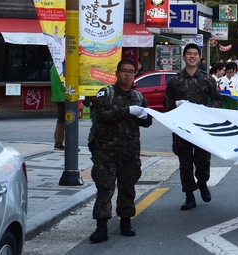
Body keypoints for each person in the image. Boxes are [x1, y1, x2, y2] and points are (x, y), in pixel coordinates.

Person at [88, 59, 153, 243]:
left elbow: (147, 122)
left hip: (129, 152)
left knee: (127, 188)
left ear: (134, 75)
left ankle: (126, 222)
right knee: (105, 188)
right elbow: (104, 114)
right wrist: (128, 110)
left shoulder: (138, 97)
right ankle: (101, 227)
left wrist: (144, 114)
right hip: (105, 151)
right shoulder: (106, 93)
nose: (127, 74)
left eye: (131, 72)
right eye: (124, 71)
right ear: (117, 73)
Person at [163, 44, 222, 211]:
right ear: (183, 57)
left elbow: (217, 100)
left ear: (199, 57)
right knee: (185, 162)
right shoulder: (175, 80)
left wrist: (208, 110)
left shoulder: (207, 79)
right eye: (189, 54)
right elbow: (165, 102)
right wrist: (176, 103)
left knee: (203, 160)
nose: (192, 56)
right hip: (182, 127)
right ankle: (189, 195)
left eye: (195, 54)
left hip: (202, 127)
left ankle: (202, 182)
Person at [50, 64, 65, 151]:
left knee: (61, 121)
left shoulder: (53, 67)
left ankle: (58, 143)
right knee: (71, 121)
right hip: (68, 96)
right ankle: (72, 144)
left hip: (57, 96)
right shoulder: (66, 65)